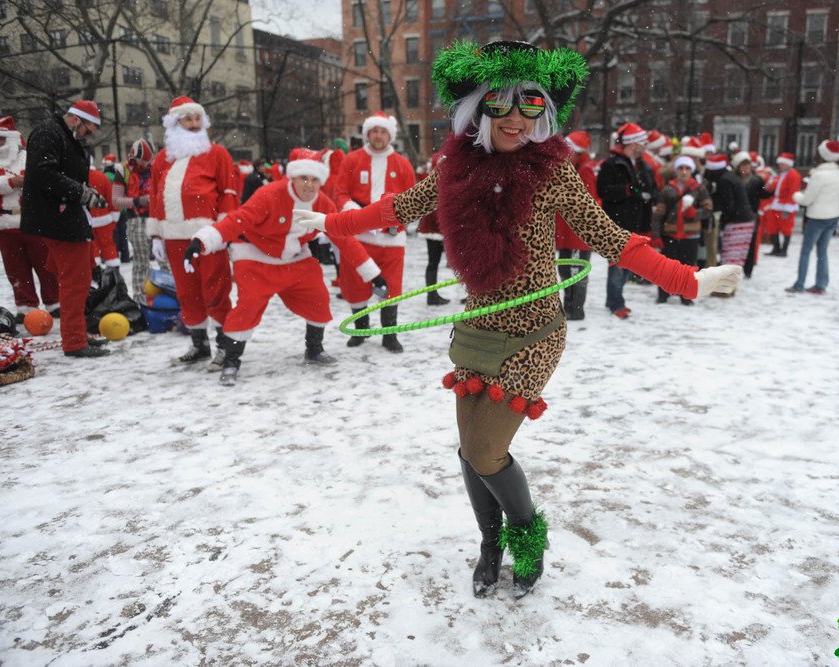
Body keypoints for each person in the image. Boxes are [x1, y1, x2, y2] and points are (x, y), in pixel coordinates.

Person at [293, 39, 742, 599]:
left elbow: (611, 239)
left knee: (485, 450)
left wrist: (687, 280)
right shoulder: (454, 170)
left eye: (530, 105)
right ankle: (489, 543)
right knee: (469, 450)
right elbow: (399, 208)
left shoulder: (553, 173)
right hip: (479, 324)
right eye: (500, 105)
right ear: (478, 109)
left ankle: (527, 540)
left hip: (533, 333)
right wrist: (333, 222)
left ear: (544, 112)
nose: (515, 118)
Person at [183, 148, 385, 385]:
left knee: (318, 298)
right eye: (303, 179)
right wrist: (202, 241)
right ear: (293, 178)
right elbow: (238, 220)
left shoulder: (322, 203)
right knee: (248, 306)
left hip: (295, 260)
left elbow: (344, 239)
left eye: (314, 180)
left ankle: (314, 348)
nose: (308, 185)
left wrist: (373, 275)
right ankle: (231, 361)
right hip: (255, 257)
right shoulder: (269, 194)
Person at [147, 95, 239, 367]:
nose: (194, 124)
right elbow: (154, 195)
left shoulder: (217, 154)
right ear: (175, 123)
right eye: (188, 119)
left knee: (216, 289)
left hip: (208, 236)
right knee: (187, 293)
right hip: (173, 236)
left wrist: (224, 230)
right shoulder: (163, 159)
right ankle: (199, 345)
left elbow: (229, 193)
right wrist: (155, 234)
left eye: (198, 118)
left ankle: (225, 346)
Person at [19, 100, 110, 358]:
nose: (88, 135)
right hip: (59, 220)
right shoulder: (49, 133)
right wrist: (81, 193)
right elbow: (43, 174)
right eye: (88, 129)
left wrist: (85, 191)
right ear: (77, 119)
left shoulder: (61, 135)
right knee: (76, 282)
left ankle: (77, 333)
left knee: (71, 277)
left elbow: (63, 174)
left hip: (63, 217)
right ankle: (74, 341)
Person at [332, 110, 416, 352]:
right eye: (374, 131)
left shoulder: (402, 164)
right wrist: (352, 212)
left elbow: (412, 199)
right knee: (355, 283)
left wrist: (397, 223)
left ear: (389, 135)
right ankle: (361, 329)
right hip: (358, 234)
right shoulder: (352, 160)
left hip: (392, 238)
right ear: (367, 133)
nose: (378, 136)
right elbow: (340, 192)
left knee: (392, 286)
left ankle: (389, 334)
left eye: (382, 131)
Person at [0, 116, 59, 321]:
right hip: (4, 225)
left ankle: (55, 301)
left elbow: (44, 181)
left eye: (2, 139)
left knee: (45, 265)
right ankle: (25, 305)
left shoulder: (31, 159)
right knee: (16, 269)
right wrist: (11, 182)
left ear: (12, 139)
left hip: (33, 222)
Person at [596, 122, 655, 319]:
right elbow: (603, 190)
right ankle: (616, 302)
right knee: (617, 266)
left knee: (628, 265)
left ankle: (613, 299)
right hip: (617, 222)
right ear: (632, 144)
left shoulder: (643, 166)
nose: (644, 148)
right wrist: (627, 191)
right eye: (641, 144)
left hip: (636, 222)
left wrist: (647, 193)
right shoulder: (612, 164)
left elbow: (651, 188)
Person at [785, 140, 839, 295]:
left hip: (817, 217)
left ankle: (799, 284)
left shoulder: (819, 175)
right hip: (833, 216)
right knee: (822, 252)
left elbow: (806, 200)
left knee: (806, 251)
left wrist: (796, 195)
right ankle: (821, 284)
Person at [651, 155, 712, 305]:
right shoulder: (668, 189)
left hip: (690, 235)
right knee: (667, 267)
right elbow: (659, 214)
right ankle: (663, 294)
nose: (684, 171)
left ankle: (686, 297)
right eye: (681, 168)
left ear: (691, 171)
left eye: (687, 168)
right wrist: (656, 234)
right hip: (670, 233)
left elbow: (708, 209)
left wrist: (695, 213)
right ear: (676, 171)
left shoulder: (699, 189)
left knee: (688, 268)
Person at [556, 130, 597, 319]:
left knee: (575, 272)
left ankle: (575, 310)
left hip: (576, 234)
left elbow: (584, 201)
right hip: (567, 232)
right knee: (565, 271)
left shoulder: (585, 170)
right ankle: (569, 307)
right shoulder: (571, 168)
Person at [701, 154, 754, 296]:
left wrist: (723, 221)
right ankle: (730, 289)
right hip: (746, 220)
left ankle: (724, 291)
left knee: (729, 258)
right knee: (736, 258)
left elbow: (728, 205)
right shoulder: (731, 177)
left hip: (737, 222)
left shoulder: (724, 181)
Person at [120, 139, 155, 300]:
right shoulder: (124, 171)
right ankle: (140, 299)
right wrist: (138, 201)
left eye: (149, 161)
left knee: (166, 262)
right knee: (141, 262)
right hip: (137, 220)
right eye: (143, 161)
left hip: (158, 219)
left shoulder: (157, 168)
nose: (146, 165)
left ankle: (169, 298)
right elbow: (115, 200)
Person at [416, 151, 452, 306]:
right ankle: (432, 295)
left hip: (435, 227)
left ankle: (432, 294)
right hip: (437, 228)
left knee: (434, 262)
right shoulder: (441, 184)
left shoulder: (429, 181)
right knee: (436, 262)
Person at [732, 151, 774, 278]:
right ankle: (735, 267)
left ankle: (748, 270)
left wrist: (771, 188)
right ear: (738, 167)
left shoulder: (756, 180)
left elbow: (764, 195)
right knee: (736, 244)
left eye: (747, 165)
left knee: (750, 244)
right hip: (737, 217)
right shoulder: (734, 180)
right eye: (743, 165)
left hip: (752, 216)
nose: (745, 168)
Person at [765, 153, 801, 257]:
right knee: (773, 227)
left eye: (782, 164)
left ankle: (784, 251)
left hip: (786, 207)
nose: (780, 166)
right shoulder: (781, 174)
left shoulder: (794, 175)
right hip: (776, 205)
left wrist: (788, 209)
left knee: (786, 229)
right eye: (779, 164)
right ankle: (776, 249)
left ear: (788, 164)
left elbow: (793, 192)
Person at [87, 164, 118, 277]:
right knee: (108, 245)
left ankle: (96, 272)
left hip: (88, 220)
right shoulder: (101, 177)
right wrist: (114, 214)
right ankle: (114, 270)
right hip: (104, 218)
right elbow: (110, 197)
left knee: (92, 247)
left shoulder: (77, 176)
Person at [101, 153, 130, 262]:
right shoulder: (118, 175)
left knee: (115, 233)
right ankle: (125, 255)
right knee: (123, 233)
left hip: (113, 209)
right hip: (123, 208)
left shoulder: (105, 177)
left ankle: (116, 254)